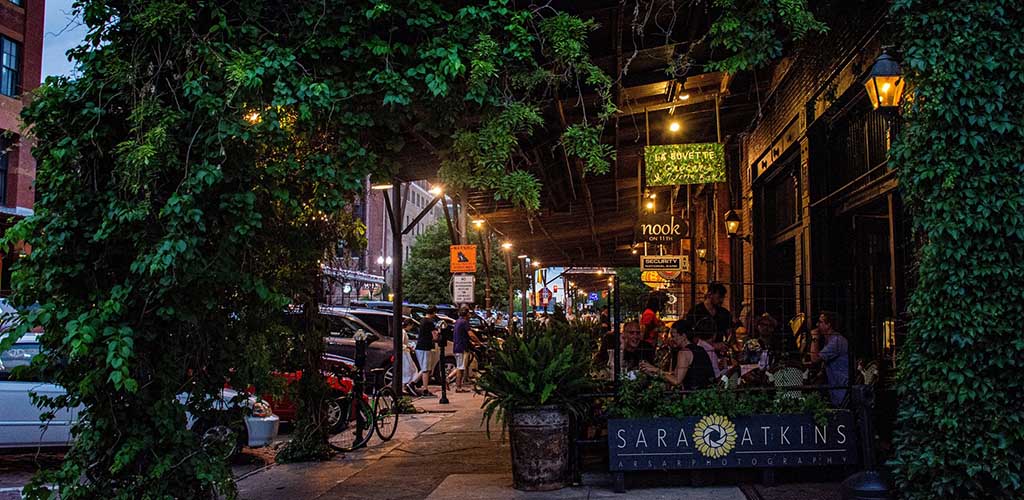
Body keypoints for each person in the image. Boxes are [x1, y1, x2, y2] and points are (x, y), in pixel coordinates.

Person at [640, 322, 715, 390]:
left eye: (673, 336)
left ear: (683, 336)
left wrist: (655, 369)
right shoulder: (700, 349)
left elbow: (676, 380)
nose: (672, 339)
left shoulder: (684, 352)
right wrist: (653, 372)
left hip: (693, 396)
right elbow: (674, 374)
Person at [810, 311, 848, 406]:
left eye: (820, 322)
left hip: (841, 388)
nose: (817, 324)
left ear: (828, 325)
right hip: (836, 386)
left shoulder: (836, 341)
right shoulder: (830, 340)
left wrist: (814, 338)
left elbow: (814, 358)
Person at [415, 306, 441, 397]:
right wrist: (438, 334)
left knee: (425, 368)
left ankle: (413, 383)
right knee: (426, 369)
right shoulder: (430, 322)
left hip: (420, 346)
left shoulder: (422, 321)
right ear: (434, 313)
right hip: (425, 347)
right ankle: (425, 389)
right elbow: (434, 336)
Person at [447, 307, 472, 392]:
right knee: (460, 368)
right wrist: (478, 342)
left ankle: (450, 379)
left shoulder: (457, 321)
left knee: (459, 366)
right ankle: (458, 387)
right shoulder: (464, 322)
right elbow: (470, 334)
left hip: (457, 346)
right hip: (462, 348)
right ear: (467, 314)